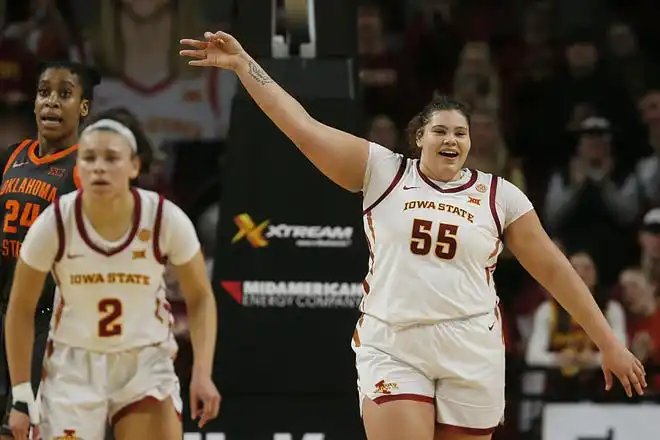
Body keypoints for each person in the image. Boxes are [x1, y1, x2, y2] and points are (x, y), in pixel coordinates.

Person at [180, 32, 647, 440]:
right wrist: (246, 66)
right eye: (440, 130)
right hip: (395, 342)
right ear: (419, 137)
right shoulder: (384, 171)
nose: (452, 139)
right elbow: (303, 127)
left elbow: (552, 269)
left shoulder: (499, 195)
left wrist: (607, 341)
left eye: (460, 133)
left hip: (471, 345)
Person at [3, 119, 221, 440]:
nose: (99, 168)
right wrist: (21, 392)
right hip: (73, 365)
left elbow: (201, 297)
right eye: (89, 158)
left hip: (144, 361)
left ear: (134, 166)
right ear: (78, 166)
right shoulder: (55, 221)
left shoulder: (164, 217)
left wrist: (202, 373)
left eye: (111, 158)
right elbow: (20, 307)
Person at [0, 60, 101, 440]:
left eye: (64, 94)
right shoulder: (13, 157)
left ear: (84, 107)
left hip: (47, 320)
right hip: (6, 309)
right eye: (44, 93)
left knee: (24, 426)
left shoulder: (84, 169)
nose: (51, 103)